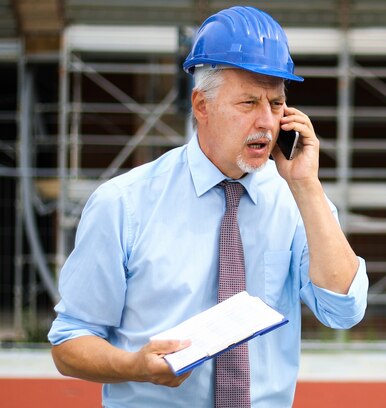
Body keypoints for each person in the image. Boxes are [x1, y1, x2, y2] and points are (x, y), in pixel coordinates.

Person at [47, 5, 368, 407]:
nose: (267, 122)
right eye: (249, 103)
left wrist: (306, 186)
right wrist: (136, 366)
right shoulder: (124, 204)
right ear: (202, 106)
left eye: (276, 103)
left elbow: (344, 310)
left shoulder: (297, 200)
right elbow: (69, 342)